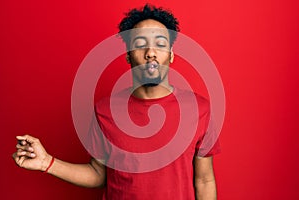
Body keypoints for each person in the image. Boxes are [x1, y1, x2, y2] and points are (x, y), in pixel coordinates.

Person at [13, 4, 220, 200]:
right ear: (128, 56)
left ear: (171, 55)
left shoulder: (198, 109)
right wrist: (46, 163)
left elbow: (204, 180)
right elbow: (98, 173)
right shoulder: (105, 110)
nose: (150, 53)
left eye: (160, 44)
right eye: (140, 45)